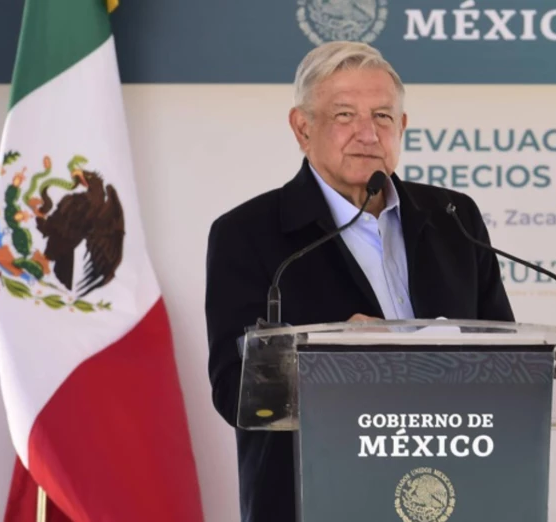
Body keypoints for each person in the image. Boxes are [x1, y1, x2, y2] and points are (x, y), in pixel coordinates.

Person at [204, 41, 514, 522]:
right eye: (345, 115)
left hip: (451, 491)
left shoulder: (454, 216)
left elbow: (508, 359)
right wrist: (333, 358)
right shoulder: (249, 233)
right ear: (303, 128)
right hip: (319, 497)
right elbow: (233, 391)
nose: (367, 133)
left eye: (384, 117)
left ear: (403, 127)